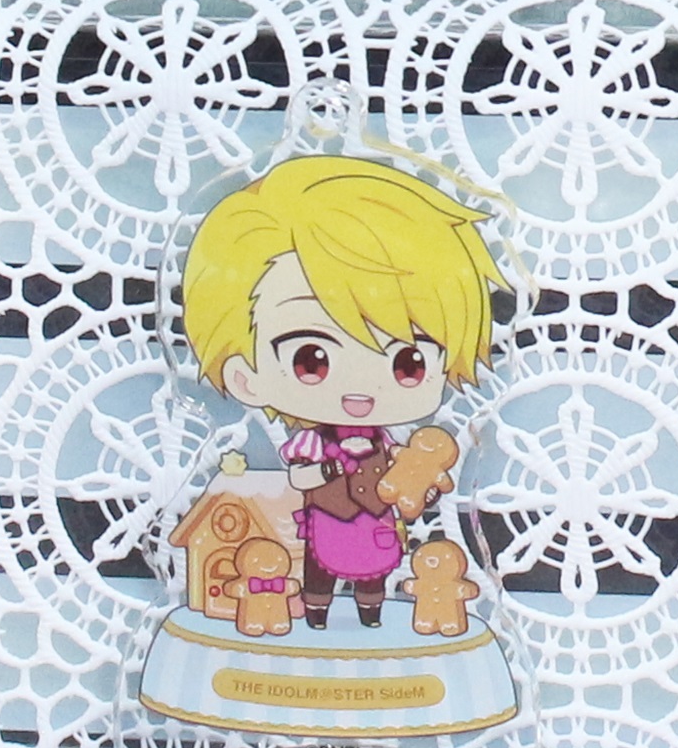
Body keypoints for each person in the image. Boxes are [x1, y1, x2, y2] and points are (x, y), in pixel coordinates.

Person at [179, 156, 500, 633]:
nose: (359, 391)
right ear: (246, 376)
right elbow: (301, 476)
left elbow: (411, 482)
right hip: (328, 523)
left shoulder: (393, 445)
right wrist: (326, 472)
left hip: (375, 526)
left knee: (374, 573)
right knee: (319, 571)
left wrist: (422, 485)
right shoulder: (311, 441)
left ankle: (371, 614)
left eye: (408, 363)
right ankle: (317, 615)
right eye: (312, 359)